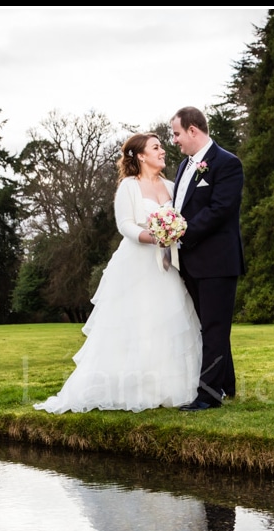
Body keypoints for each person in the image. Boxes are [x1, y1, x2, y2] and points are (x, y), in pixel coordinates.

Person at [34, 133, 202, 414]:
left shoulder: (173, 187)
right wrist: (154, 237)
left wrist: (171, 235)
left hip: (166, 265)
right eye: (156, 147)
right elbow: (125, 225)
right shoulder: (129, 187)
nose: (163, 151)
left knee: (165, 321)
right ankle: (130, 387)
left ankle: (166, 387)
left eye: (162, 146)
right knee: (136, 321)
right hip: (136, 263)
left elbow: (182, 221)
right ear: (140, 155)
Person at [170, 106, 246, 411]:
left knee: (214, 329)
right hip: (191, 262)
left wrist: (180, 231)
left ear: (192, 130)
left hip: (218, 261)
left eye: (176, 133)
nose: (174, 140)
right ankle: (227, 385)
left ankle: (209, 396)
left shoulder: (227, 163)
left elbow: (220, 210)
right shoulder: (182, 167)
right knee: (209, 326)